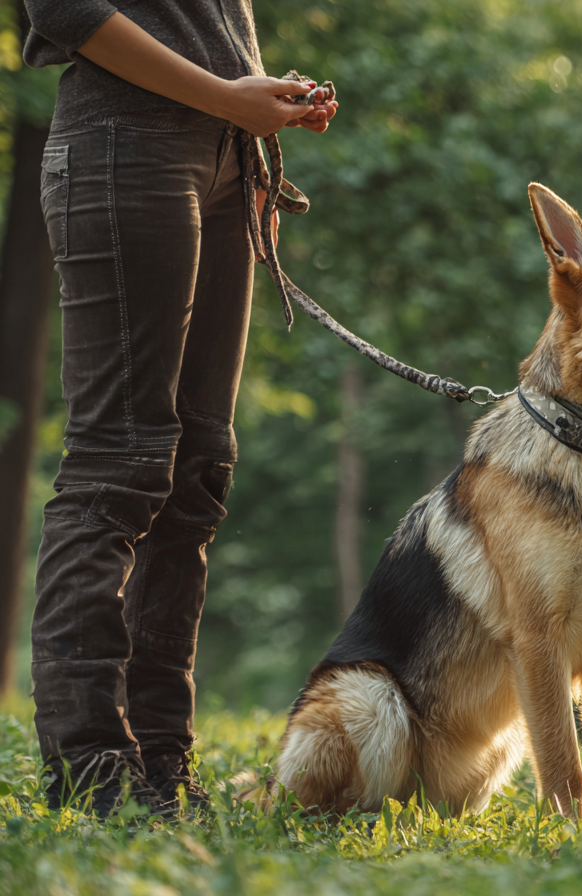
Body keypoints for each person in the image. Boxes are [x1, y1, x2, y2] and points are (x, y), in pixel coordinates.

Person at [22, 1, 338, 815]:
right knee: (120, 463)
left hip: (227, 160)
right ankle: (90, 764)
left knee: (197, 470)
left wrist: (258, 104)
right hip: (126, 144)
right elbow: (65, 9)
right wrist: (229, 97)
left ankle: (160, 758)